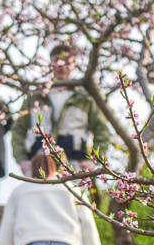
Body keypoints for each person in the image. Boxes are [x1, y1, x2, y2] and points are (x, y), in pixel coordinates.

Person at [11, 43, 111, 176]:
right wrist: (22, 159)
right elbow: (18, 129)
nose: (61, 65)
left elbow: (101, 130)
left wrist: (93, 162)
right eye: (57, 61)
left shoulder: (84, 99)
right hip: (38, 163)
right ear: (51, 64)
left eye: (66, 62)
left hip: (74, 164)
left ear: (74, 65)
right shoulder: (35, 97)